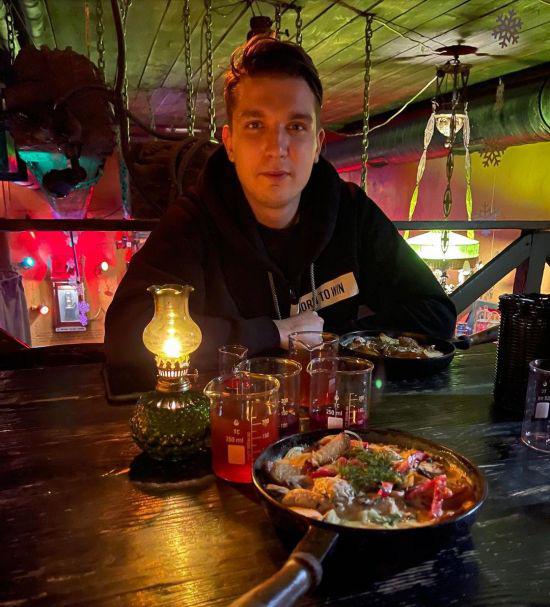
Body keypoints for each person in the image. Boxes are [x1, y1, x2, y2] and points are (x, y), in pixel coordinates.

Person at [104, 35, 456, 386]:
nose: (276, 148)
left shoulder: (352, 212)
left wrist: (334, 337)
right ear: (230, 143)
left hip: (332, 409)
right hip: (234, 412)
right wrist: (272, 332)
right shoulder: (193, 222)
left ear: (317, 145)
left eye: (296, 126)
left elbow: (435, 312)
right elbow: (126, 334)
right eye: (255, 125)